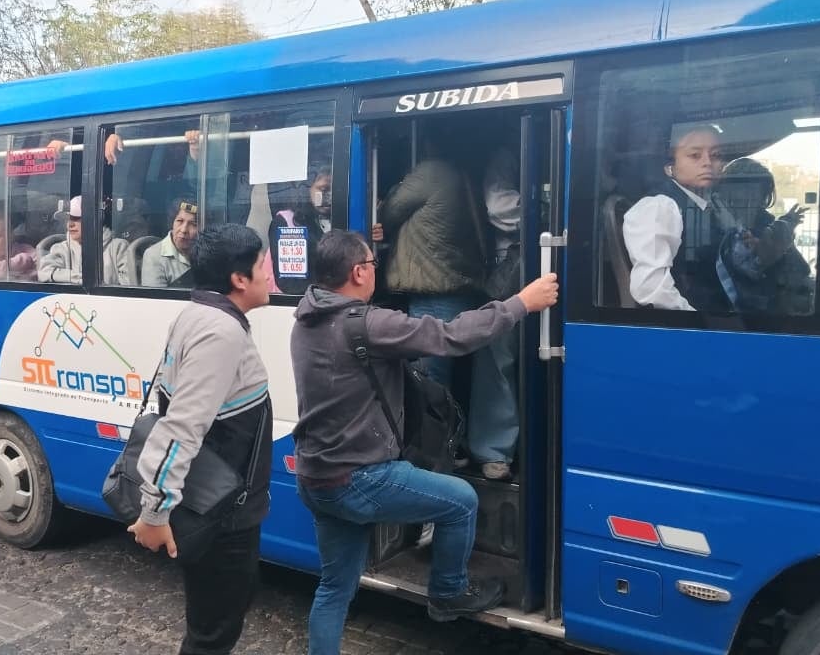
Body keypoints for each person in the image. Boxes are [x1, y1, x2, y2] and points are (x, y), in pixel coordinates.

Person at [290, 230, 558, 654]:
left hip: (314, 475)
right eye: (374, 263)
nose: (376, 270)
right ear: (359, 272)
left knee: (335, 587)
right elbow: (450, 336)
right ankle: (447, 593)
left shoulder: (306, 320)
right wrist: (521, 302)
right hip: (359, 476)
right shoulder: (369, 324)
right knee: (461, 500)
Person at [128, 223, 272, 655]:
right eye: (262, 266)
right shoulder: (220, 332)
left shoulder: (200, 313)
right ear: (239, 279)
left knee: (231, 603)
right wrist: (155, 512)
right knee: (211, 634)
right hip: (222, 510)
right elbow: (181, 426)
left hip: (226, 504)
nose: (269, 275)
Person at [378, 132, 490, 385]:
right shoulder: (462, 173)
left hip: (434, 290)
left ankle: (437, 425)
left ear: (426, 144)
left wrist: (393, 187)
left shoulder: (429, 172)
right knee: (455, 374)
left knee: (430, 376)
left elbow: (388, 212)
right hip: (458, 285)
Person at [621, 123, 729, 311]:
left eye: (716, 155)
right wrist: (701, 323)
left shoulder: (710, 206)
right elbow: (651, 289)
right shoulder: (660, 207)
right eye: (695, 155)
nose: (707, 162)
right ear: (670, 167)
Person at [469, 147, 523, 480]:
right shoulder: (505, 159)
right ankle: (493, 449)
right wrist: (551, 208)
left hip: (549, 267)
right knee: (498, 358)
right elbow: (500, 208)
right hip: (510, 272)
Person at [712, 157, 812, 315]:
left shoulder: (768, 227)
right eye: (741, 193)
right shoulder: (715, 224)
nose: (749, 200)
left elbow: (799, 272)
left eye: (755, 194)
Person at [38, 196, 134, 285]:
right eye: (67, 219)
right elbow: (44, 272)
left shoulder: (118, 247)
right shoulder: (61, 248)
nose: (70, 224)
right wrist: (80, 278)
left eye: (76, 219)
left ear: (94, 220)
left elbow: (128, 286)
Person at [267, 168, 332, 295]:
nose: (329, 196)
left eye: (333, 190)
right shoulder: (287, 222)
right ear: (307, 189)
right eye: (323, 189)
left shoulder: (344, 218)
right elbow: (290, 283)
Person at [141, 198, 200, 288]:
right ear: (172, 222)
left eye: (193, 224)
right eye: (180, 221)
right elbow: (155, 299)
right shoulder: (153, 256)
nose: (184, 230)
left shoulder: (204, 253)